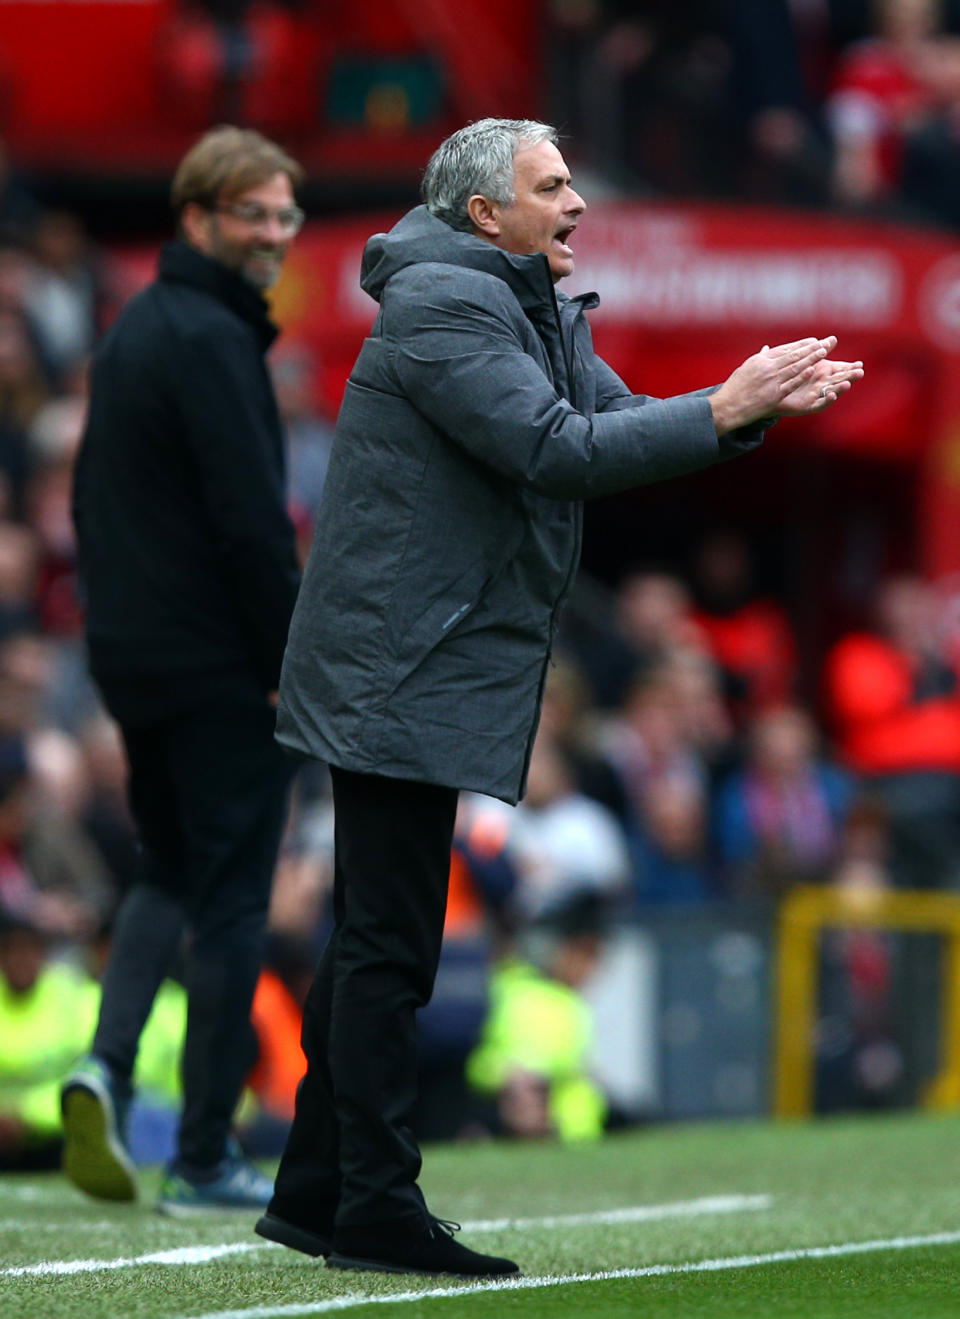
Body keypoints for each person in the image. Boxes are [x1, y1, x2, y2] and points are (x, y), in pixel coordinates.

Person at [256, 117, 863, 1279]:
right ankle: (375, 1204)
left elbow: (617, 423)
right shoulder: (445, 304)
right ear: (486, 214)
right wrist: (725, 406)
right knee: (390, 944)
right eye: (554, 185)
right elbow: (555, 447)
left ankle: (317, 1185)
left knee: (376, 936)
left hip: (416, 656)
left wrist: (750, 408)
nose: (579, 203)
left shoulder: (516, 299)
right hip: (396, 661)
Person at [60, 125, 303, 1213]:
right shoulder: (213, 337)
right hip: (216, 662)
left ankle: (104, 1066)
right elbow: (252, 524)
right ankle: (205, 1152)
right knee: (238, 896)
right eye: (253, 212)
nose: (273, 233)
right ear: (196, 216)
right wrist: (287, 658)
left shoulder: (134, 331)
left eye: (285, 215)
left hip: (133, 652)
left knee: (167, 865)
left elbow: (85, 504)